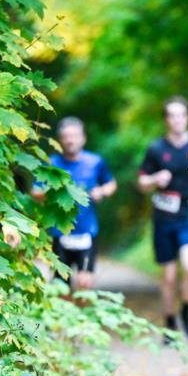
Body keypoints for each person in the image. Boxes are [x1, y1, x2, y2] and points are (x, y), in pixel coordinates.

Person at [138, 96, 188, 340]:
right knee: (169, 277)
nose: (177, 119)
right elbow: (141, 182)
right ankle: (170, 322)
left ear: (187, 118)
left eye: (181, 114)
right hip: (163, 219)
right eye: (172, 115)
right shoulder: (156, 149)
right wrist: (153, 180)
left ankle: (187, 311)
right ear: (166, 120)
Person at [36, 117, 117, 290]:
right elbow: (35, 192)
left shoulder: (95, 162)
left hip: (87, 231)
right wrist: (54, 192)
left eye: (74, 136)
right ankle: (65, 317)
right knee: (61, 285)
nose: (70, 140)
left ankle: (82, 316)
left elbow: (111, 184)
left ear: (83, 138)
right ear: (60, 140)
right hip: (59, 232)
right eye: (66, 136)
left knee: (84, 283)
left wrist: (101, 192)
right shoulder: (51, 164)